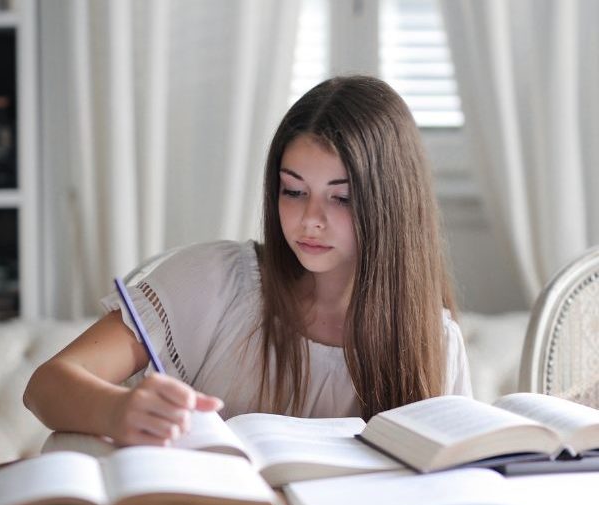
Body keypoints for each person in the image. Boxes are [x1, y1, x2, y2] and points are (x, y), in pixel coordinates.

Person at [24, 75, 472, 448]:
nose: (309, 220)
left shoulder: (433, 341)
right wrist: (117, 410)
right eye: (293, 191)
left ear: (390, 205)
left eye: (342, 199)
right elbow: (46, 386)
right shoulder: (215, 281)